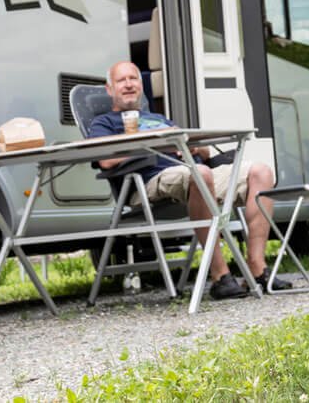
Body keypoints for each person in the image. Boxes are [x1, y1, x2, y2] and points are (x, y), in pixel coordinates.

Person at [89, 61, 290, 298]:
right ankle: (220, 276)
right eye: (121, 80)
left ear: (141, 86)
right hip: (150, 179)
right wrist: (150, 142)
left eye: (133, 79)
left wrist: (197, 148)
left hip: (190, 169)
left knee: (261, 172)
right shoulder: (103, 123)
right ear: (110, 89)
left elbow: (194, 148)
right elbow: (105, 161)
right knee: (201, 174)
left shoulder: (159, 119)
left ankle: (257, 268)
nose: (129, 84)